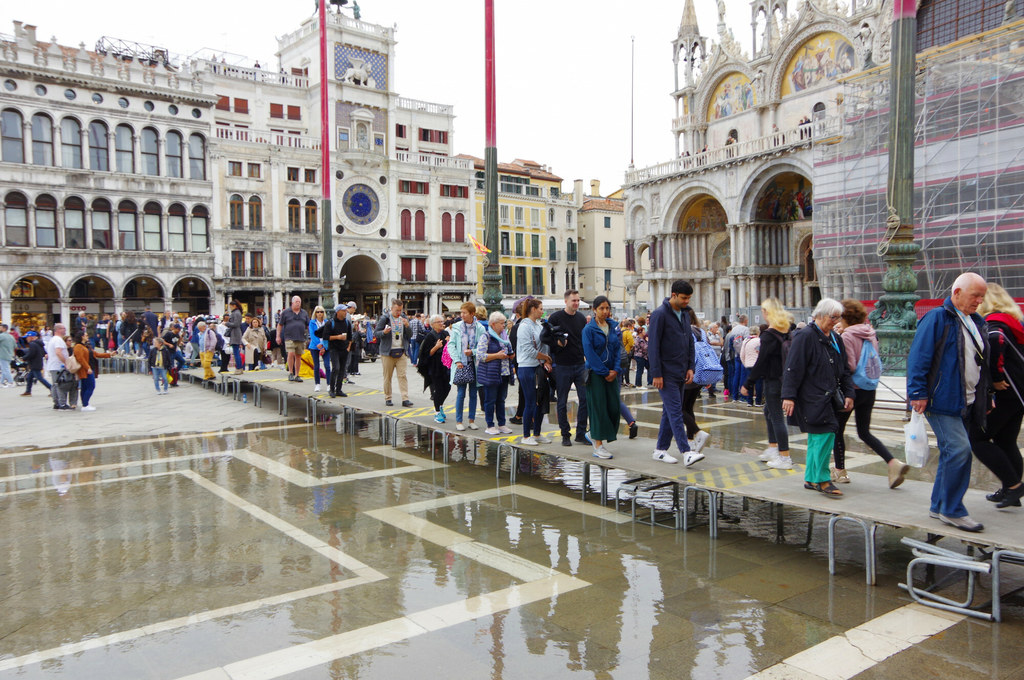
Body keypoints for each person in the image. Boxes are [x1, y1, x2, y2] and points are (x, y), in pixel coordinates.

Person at [908, 273, 991, 531]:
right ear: (956, 293)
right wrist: (917, 393)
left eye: (981, 296)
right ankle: (953, 510)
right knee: (960, 450)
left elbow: (979, 362)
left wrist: (986, 395)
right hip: (941, 399)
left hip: (963, 400)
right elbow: (918, 357)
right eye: (974, 295)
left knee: (950, 452)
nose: (979, 301)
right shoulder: (937, 317)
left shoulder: (974, 320)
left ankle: (939, 505)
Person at [832, 299, 910, 488]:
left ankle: (840, 471)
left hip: (852, 390)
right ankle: (893, 463)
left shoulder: (847, 336)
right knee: (864, 431)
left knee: (836, 430)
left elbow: (849, 365)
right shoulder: (870, 333)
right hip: (869, 389)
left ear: (845, 317)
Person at [782, 298, 855, 499]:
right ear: (820, 316)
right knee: (826, 433)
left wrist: (849, 393)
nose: (836, 321)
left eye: (839, 318)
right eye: (833, 317)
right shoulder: (805, 336)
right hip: (811, 397)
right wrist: (788, 396)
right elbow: (792, 368)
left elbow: (845, 369)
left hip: (829, 396)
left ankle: (810, 477)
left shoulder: (835, 338)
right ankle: (822, 479)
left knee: (818, 437)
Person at [974, 282, 1024, 508]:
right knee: (1006, 441)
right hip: (1018, 393)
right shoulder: (1014, 322)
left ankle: (1013, 486)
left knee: (977, 439)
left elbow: (995, 340)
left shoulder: (995, 322)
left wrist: (995, 377)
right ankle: (1010, 492)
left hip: (1006, 391)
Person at [648, 280, 701, 466]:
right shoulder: (659, 314)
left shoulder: (686, 314)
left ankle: (660, 450)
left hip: (681, 371)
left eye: (689, 298)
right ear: (674, 295)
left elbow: (690, 343)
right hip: (665, 372)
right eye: (684, 298)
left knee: (669, 412)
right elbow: (652, 345)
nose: (687, 301)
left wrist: (690, 367)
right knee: (676, 410)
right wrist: (656, 373)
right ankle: (686, 451)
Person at [745, 298, 795, 470]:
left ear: (767, 313)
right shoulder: (787, 332)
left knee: (776, 417)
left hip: (773, 381)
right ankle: (773, 448)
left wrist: (748, 383)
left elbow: (761, 362)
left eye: (763, 311)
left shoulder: (768, 335)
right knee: (768, 412)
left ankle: (784, 456)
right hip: (784, 378)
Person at [548, 290, 590, 447]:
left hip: (580, 364)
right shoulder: (556, 318)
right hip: (562, 365)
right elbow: (546, 338)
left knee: (585, 399)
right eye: (574, 301)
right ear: (566, 301)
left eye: (578, 300)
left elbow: (584, 339)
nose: (576, 303)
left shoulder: (580, 318)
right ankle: (565, 434)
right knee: (562, 401)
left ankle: (581, 433)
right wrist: (556, 346)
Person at [582, 296, 621, 459]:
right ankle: (598, 444)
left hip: (612, 372)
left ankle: (593, 433)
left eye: (607, 308)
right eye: (602, 308)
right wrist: (604, 372)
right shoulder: (588, 330)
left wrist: (616, 370)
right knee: (597, 408)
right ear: (595, 310)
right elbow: (589, 353)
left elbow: (618, 350)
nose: (605, 311)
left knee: (613, 407)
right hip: (596, 374)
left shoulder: (613, 327)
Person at [516, 298, 552, 445]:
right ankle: (526, 435)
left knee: (541, 401)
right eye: (541, 309)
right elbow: (528, 349)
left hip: (538, 366)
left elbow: (544, 344)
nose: (543, 311)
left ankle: (537, 433)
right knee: (530, 401)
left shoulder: (538, 325)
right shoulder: (524, 326)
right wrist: (545, 357)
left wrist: (546, 360)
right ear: (533, 310)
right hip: (526, 366)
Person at [446, 302, 485, 428]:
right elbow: (451, 345)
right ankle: (459, 421)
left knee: (473, 393)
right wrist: (456, 360)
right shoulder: (457, 327)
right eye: (461, 312)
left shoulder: (479, 328)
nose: (461, 315)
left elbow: (482, 346)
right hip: (461, 363)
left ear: (472, 314)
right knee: (461, 393)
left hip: (474, 363)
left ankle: (471, 420)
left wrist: (472, 352)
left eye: (464, 313)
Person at [477, 311, 515, 436]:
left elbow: (509, 350)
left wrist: (511, 355)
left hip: (504, 372)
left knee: (501, 400)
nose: (503, 325)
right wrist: (497, 355)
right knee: (490, 400)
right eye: (501, 323)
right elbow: (480, 356)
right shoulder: (486, 336)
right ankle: (490, 425)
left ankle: (502, 424)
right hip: (491, 373)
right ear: (493, 324)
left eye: (504, 323)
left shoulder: (505, 337)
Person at [682, 309, 712, 455]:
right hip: (700, 373)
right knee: (688, 407)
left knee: (678, 408)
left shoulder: (686, 331)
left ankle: (698, 433)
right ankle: (690, 440)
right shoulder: (701, 332)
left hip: (688, 373)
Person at [376, 299, 414, 407]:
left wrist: (407, 326)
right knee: (387, 376)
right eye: (397, 310)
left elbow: (410, 335)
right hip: (388, 352)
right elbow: (376, 333)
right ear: (391, 308)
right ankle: (388, 398)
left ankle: (405, 398)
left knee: (402, 375)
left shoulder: (404, 318)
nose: (399, 313)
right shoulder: (385, 319)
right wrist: (383, 332)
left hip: (401, 351)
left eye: (401, 310)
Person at [418, 315, 451, 423]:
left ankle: (440, 405)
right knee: (439, 389)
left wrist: (449, 342)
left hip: (445, 365)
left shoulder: (445, 333)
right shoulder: (429, 336)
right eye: (439, 322)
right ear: (432, 324)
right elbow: (427, 354)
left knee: (448, 387)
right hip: (434, 367)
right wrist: (436, 347)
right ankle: (437, 412)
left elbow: (450, 347)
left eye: (442, 321)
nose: (442, 323)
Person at [318, 303, 352, 398]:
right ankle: (332, 389)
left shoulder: (347, 323)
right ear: (338, 312)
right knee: (336, 368)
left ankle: (339, 389)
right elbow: (325, 337)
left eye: (346, 311)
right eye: (344, 311)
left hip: (344, 349)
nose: (346, 312)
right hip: (334, 349)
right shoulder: (330, 323)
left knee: (342, 369)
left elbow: (350, 337)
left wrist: (348, 347)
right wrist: (338, 337)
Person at [276, 296, 310, 382]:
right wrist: (278, 336)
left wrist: (310, 336)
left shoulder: (304, 313)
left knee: (298, 356)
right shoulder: (286, 312)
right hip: (289, 337)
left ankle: (297, 374)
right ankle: (290, 372)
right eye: (296, 302)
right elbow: (280, 325)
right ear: (292, 303)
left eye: (299, 302)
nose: (298, 303)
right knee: (290, 353)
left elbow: (308, 325)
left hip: (301, 337)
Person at [723, 314, 750, 401]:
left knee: (736, 375)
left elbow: (731, 342)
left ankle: (734, 396)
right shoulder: (746, 329)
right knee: (743, 375)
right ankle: (743, 397)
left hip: (735, 354)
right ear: (745, 321)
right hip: (743, 355)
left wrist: (735, 350)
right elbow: (747, 342)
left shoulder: (734, 329)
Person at [46, 323, 72, 410]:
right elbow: (58, 352)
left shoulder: (53, 339)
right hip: (58, 366)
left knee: (55, 384)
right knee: (60, 385)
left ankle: (56, 403)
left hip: (53, 365)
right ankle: (62, 404)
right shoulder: (58, 340)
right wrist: (66, 362)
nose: (65, 330)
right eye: (63, 328)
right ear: (58, 330)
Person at [19, 331, 51, 396]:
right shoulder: (39, 343)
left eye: (27, 337)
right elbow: (43, 352)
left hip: (35, 363)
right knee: (29, 377)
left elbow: (31, 354)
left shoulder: (32, 344)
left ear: (31, 337)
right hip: (37, 362)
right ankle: (28, 391)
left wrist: (24, 358)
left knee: (39, 378)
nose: (26, 339)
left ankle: (52, 388)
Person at [308, 306, 331, 392]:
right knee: (316, 366)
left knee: (327, 365)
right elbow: (312, 335)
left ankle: (329, 384)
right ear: (315, 313)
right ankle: (317, 384)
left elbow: (328, 334)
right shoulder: (312, 322)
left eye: (321, 312)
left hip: (325, 346)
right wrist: (318, 344)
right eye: (317, 312)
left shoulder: (327, 322)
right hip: (315, 346)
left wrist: (323, 345)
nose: (319, 313)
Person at [68, 331, 92, 410]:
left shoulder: (85, 346)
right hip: (85, 369)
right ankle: (85, 404)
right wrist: (87, 367)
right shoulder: (78, 346)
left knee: (85, 386)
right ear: (82, 337)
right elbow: (80, 358)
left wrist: (109, 355)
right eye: (86, 335)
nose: (87, 336)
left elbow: (94, 353)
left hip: (88, 368)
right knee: (90, 386)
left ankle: (85, 404)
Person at [225, 300, 245, 375]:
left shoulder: (236, 313)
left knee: (236, 352)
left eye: (231, 306)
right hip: (235, 333)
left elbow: (236, 324)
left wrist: (227, 323)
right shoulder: (236, 312)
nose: (230, 308)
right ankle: (240, 368)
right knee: (236, 352)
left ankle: (239, 368)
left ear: (234, 306)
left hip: (235, 333)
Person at [0, 323, 14, 387]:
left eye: (1, 327)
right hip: (10, 354)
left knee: (5, 369)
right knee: (4, 369)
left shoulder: (2, 336)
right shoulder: (11, 336)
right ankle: (1, 382)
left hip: (3, 354)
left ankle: (11, 382)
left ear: (4, 328)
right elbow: (15, 345)